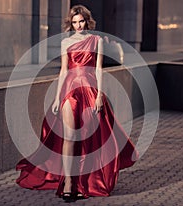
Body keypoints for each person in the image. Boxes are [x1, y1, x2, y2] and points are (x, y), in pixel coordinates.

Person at [16, 5, 138, 202]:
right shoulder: (66, 43)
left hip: (89, 90)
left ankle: (84, 183)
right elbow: (64, 70)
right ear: (70, 24)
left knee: (86, 139)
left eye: (81, 21)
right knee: (70, 136)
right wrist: (57, 97)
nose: (78, 25)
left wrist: (99, 95)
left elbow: (98, 69)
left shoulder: (96, 40)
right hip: (69, 91)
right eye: (74, 22)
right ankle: (69, 183)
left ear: (87, 21)